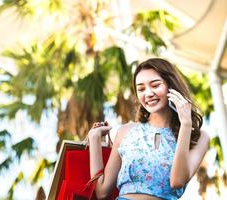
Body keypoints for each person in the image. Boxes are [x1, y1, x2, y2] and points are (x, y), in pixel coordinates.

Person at [88, 58, 210, 200]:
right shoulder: (126, 131)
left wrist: (186, 124)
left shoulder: (198, 136)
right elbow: (102, 192)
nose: (148, 93)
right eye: (141, 89)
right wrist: (95, 139)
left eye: (155, 85)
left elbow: (177, 181)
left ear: (172, 86)